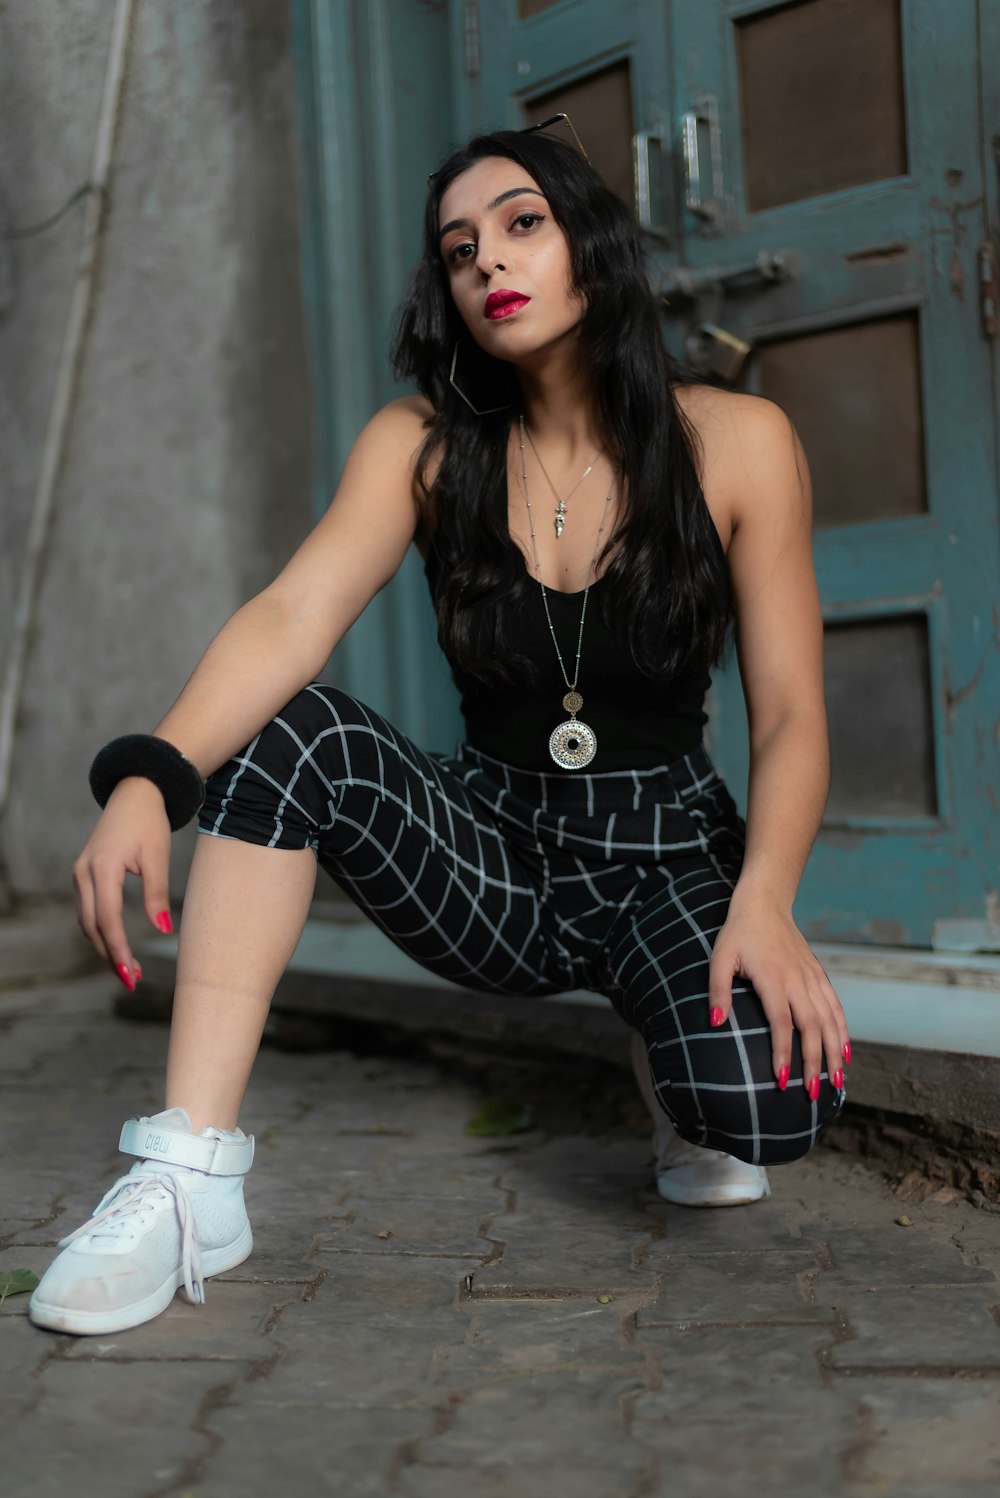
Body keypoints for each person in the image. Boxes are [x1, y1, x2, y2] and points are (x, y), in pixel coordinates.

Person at [29, 124, 850, 1338]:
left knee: (762, 1113)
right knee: (289, 730)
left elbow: (789, 714)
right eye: (460, 249)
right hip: (496, 852)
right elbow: (289, 617)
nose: (488, 264)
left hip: (671, 858)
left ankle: (681, 1072)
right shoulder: (418, 449)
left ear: (592, 245)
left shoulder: (734, 441)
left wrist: (766, 898)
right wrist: (152, 776)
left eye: (523, 224)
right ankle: (190, 1178)